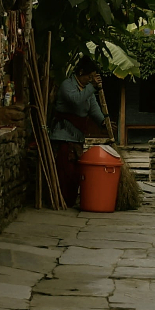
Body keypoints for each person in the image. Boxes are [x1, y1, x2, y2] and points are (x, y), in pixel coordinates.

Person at [50, 59, 112, 204]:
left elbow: (94, 109)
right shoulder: (68, 85)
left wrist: (103, 122)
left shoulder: (88, 91)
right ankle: (61, 199)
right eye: (89, 77)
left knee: (75, 174)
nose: (90, 80)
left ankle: (70, 200)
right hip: (63, 135)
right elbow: (76, 100)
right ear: (81, 73)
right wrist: (92, 87)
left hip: (77, 137)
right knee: (64, 172)